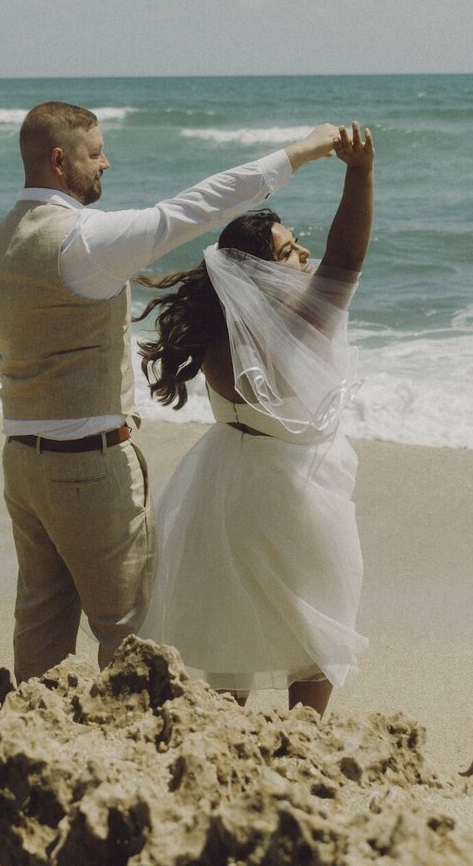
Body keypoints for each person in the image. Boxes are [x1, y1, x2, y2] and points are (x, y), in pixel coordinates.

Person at [0, 100, 344, 683]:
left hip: (21, 461)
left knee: (40, 629)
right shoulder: (84, 242)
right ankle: (134, 758)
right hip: (87, 467)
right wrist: (298, 152)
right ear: (58, 160)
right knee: (130, 635)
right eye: (95, 153)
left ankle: (33, 748)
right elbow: (193, 209)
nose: (107, 164)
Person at [136, 120, 374, 715]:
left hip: (222, 484)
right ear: (258, 273)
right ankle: (304, 742)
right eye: (291, 252)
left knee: (228, 624)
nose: (306, 257)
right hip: (294, 492)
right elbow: (348, 254)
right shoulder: (298, 322)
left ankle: (226, 743)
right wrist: (360, 173)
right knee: (317, 623)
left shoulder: (218, 328)